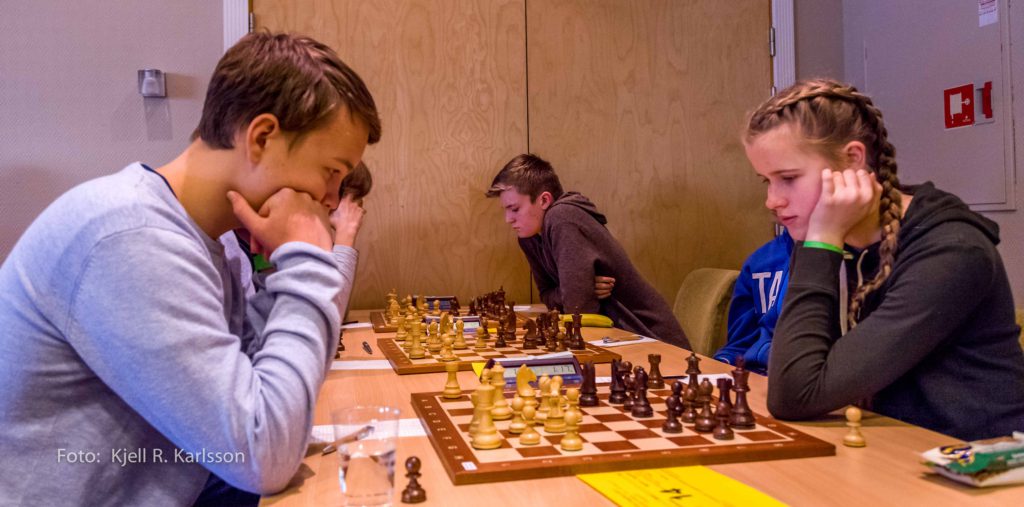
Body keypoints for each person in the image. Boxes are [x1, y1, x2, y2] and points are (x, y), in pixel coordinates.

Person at [0, 32, 381, 505]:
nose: (331, 198)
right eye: (332, 172)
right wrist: (308, 257)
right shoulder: (131, 237)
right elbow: (263, 455)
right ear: (262, 138)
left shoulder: (205, 239)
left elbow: (265, 385)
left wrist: (282, 267)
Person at [744, 78, 1024, 441]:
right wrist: (821, 241)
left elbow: (795, 394)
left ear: (853, 159)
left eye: (788, 178)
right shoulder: (826, 236)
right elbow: (794, 382)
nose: (772, 200)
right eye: (765, 181)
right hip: (887, 444)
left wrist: (821, 241)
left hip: (977, 459)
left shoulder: (953, 250)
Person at [486, 154, 690, 349]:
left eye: (514, 209)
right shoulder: (529, 238)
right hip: (613, 337)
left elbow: (579, 309)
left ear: (544, 200)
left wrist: (576, 292)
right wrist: (575, 289)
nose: (508, 219)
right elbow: (547, 295)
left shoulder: (562, 217)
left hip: (652, 340)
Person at [713, 229, 793, 375]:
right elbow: (739, 344)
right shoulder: (758, 260)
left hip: (797, 379)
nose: (772, 205)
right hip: (756, 375)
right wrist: (721, 364)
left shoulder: (833, 265)